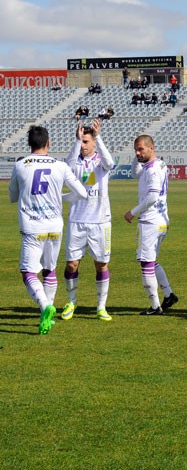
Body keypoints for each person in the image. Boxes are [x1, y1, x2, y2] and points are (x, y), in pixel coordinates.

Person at [9, 126, 87, 334]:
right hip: (54, 226)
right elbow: (81, 193)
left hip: (32, 227)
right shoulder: (60, 166)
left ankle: (45, 306)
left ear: (29, 144)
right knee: (49, 269)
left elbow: (12, 197)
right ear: (48, 142)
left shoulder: (19, 165)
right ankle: (46, 320)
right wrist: (60, 199)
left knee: (28, 272)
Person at [61, 119, 115, 322]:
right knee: (72, 265)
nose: (83, 145)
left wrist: (99, 137)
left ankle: (101, 307)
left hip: (100, 221)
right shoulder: (74, 163)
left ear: (93, 142)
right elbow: (66, 167)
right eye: (81, 141)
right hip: (76, 220)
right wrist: (76, 142)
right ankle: (71, 302)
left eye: (86, 141)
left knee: (101, 264)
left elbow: (110, 163)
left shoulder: (101, 162)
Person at [124, 135, 179, 315]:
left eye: (141, 149)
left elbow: (153, 196)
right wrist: (137, 156)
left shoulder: (152, 169)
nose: (138, 153)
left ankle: (155, 307)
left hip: (150, 221)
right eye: (136, 150)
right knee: (152, 261)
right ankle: (169, 294)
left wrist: (133, 211)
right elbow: (135, 173)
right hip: (162, 221)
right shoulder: (158, 165)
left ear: (151, 148)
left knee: (146, 263)